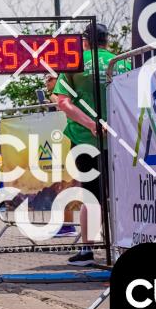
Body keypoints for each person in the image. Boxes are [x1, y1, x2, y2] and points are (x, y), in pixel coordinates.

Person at [52, 23, 130, 266]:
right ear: (107, 41)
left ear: (85, 42)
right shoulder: (122, 62)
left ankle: (87, 250)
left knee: (91, 195)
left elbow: (63, 102)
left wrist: (90, 124)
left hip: (85, 139)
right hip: (120, 140)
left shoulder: (74, 63)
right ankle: (123, 245)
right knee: (121, 195)